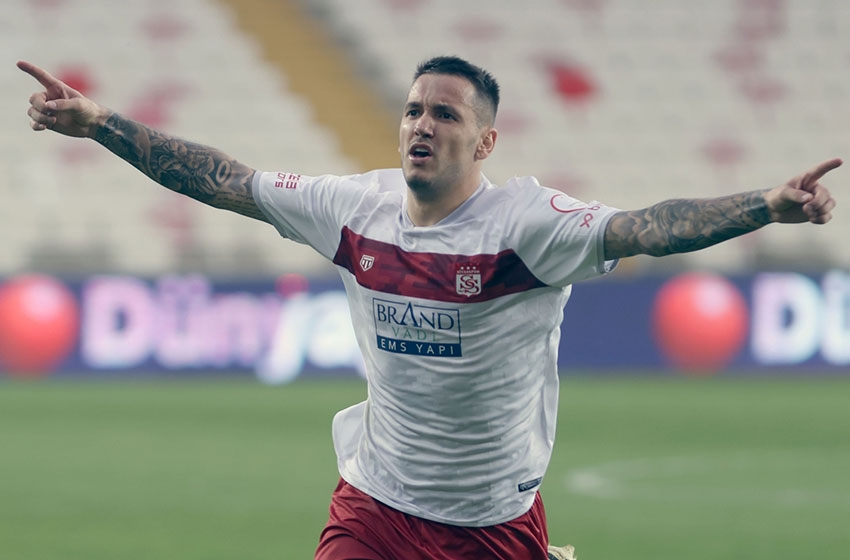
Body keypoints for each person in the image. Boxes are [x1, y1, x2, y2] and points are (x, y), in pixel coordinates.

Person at [19, 55, 839, 560]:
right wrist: (100, 123)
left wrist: (766, 205)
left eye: (446, 114)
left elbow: (649, 229)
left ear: (485, 143)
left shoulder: (527, 225)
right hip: (374, 506)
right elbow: (223, 180)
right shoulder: (353, 209)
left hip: (493, 522)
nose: (422, 124)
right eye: (413, 109)